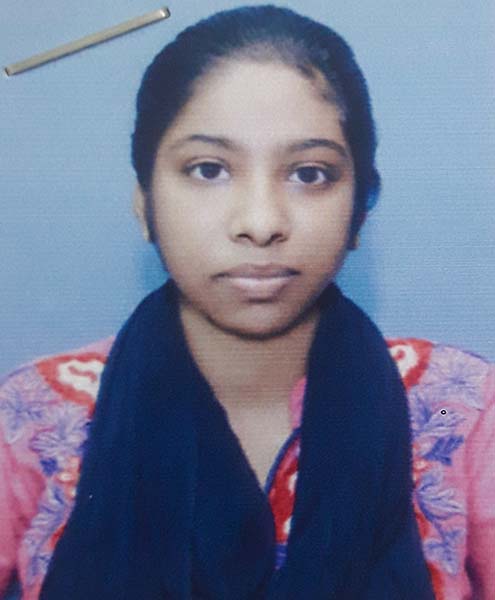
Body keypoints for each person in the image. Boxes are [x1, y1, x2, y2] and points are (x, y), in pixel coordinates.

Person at [0, 5, 493, 599]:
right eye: (208, 169)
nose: (260, 223)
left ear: (360, 208)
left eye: (309, 174)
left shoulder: (461, 411)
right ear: (144, 203)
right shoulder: (30, 419)